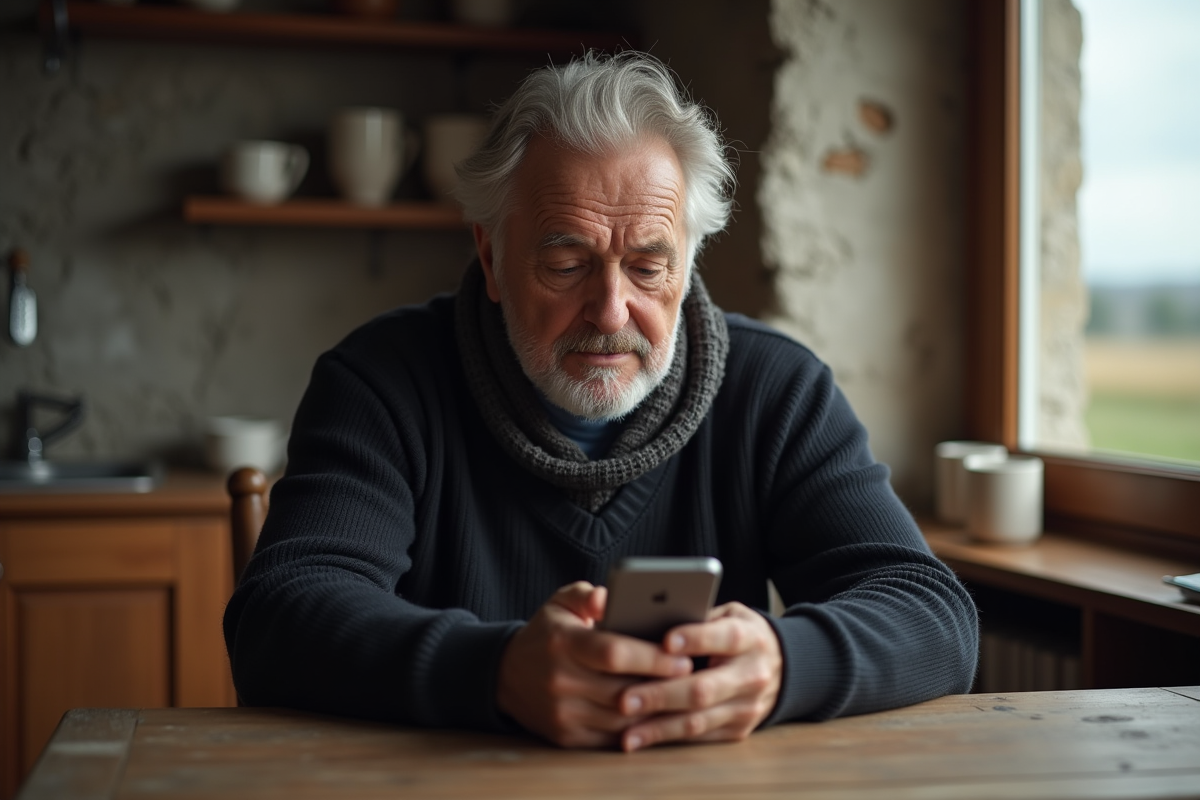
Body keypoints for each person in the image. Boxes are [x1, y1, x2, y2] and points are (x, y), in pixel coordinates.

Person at [223, 51, 978, 753]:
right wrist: (494, 672)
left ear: (689, 260)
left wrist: (784, 663)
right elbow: (280, 616)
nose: (611, 312)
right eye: (566, 264)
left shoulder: (775, 390)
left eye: (648, 267)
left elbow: (932, 613)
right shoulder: (382, 381)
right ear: (491, 256)